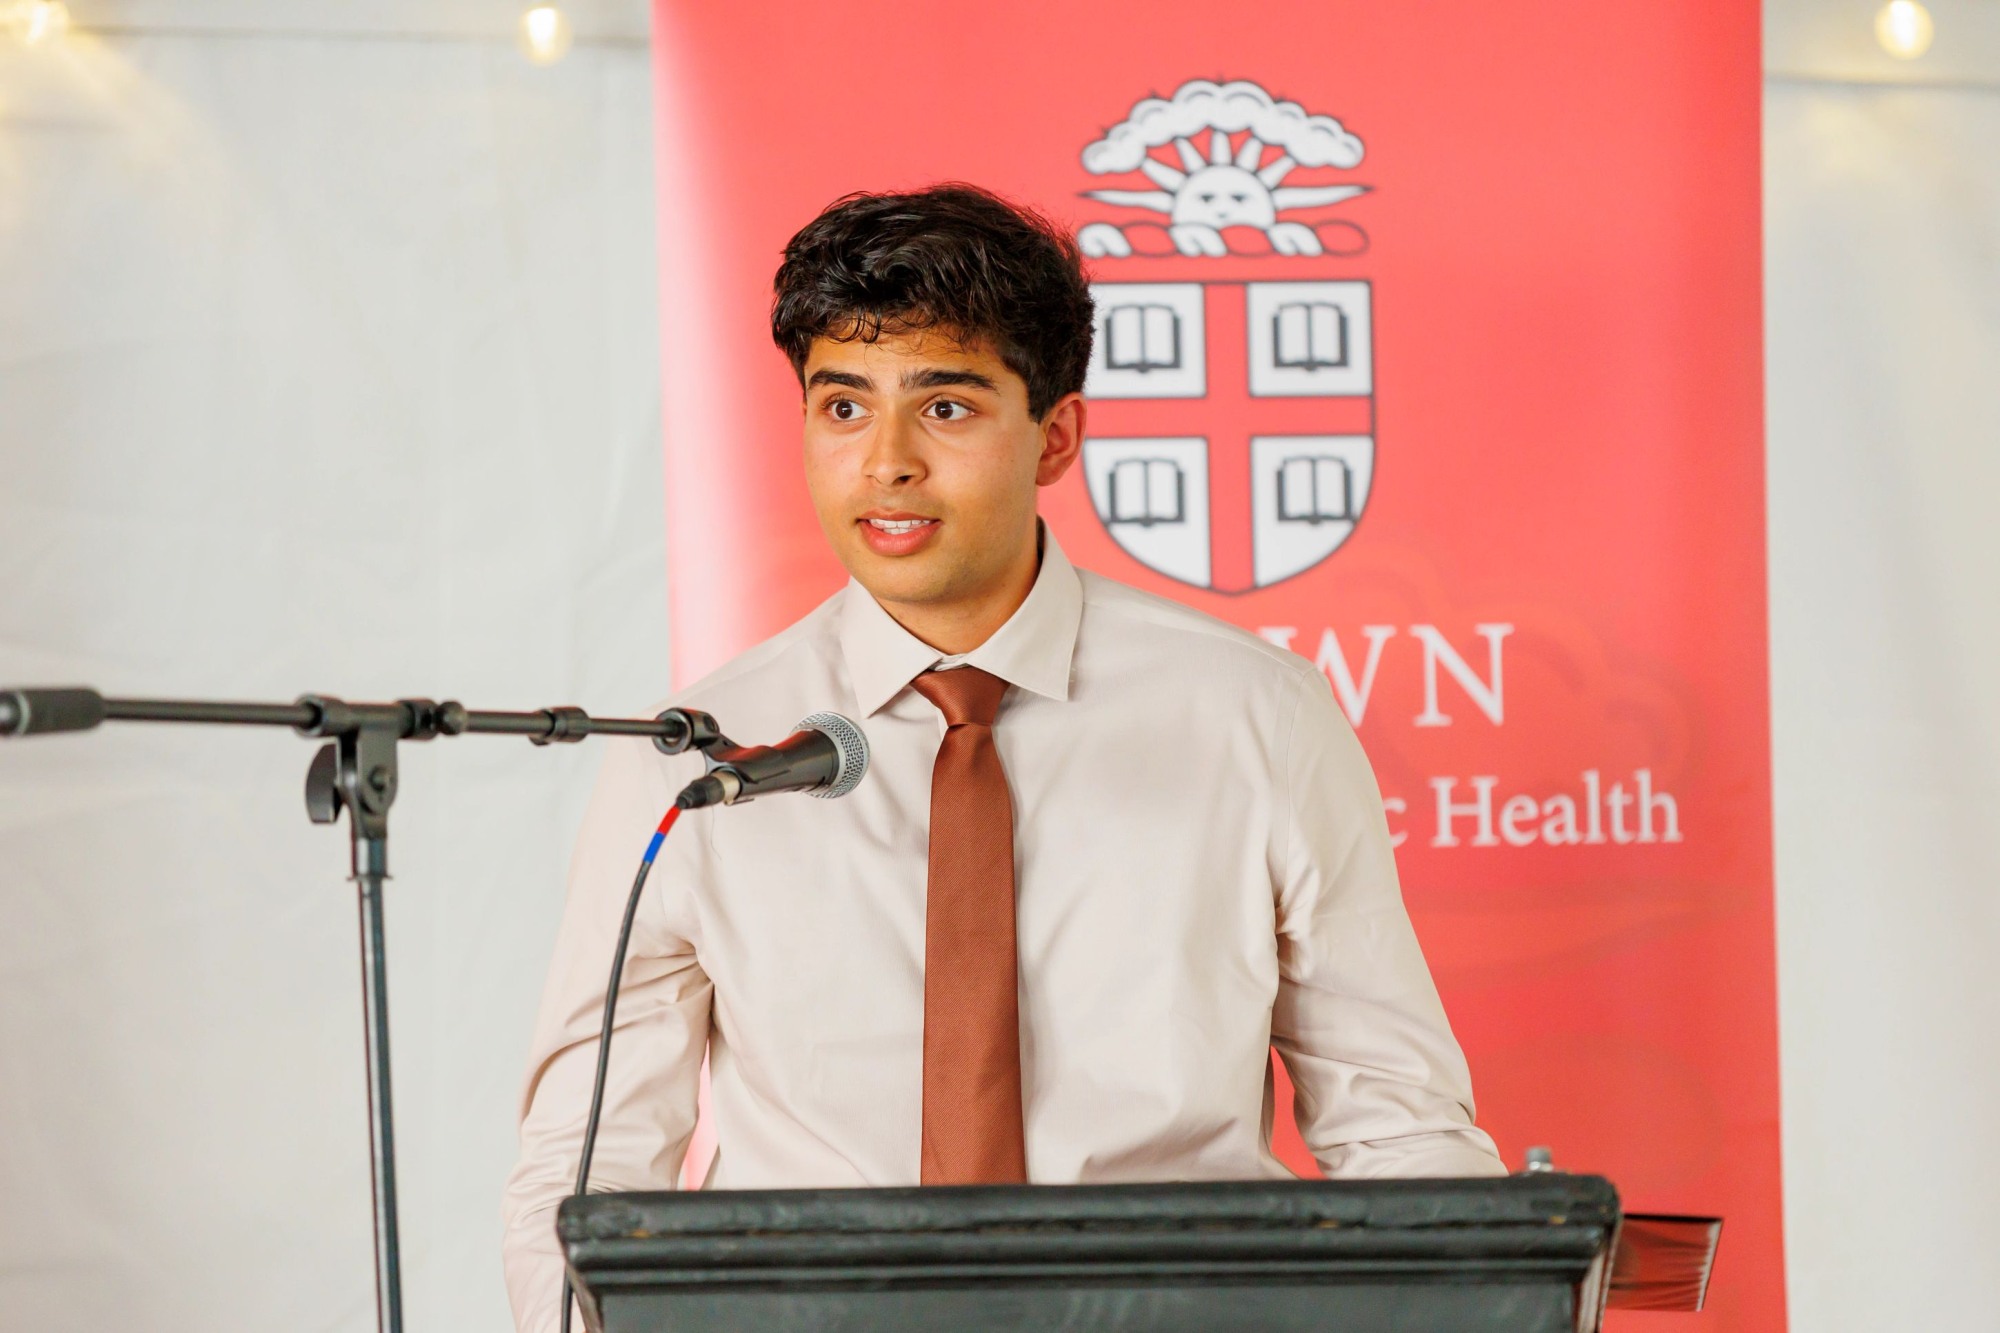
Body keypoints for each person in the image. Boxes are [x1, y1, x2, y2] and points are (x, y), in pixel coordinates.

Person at [501, 184, 1504, 1331]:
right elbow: (585, 1169)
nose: (884, 462)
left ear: (1055, 436)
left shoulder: (1256, 717)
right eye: (841, 406)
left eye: (944, 408)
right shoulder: (696, 762)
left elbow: (1396, 1125)